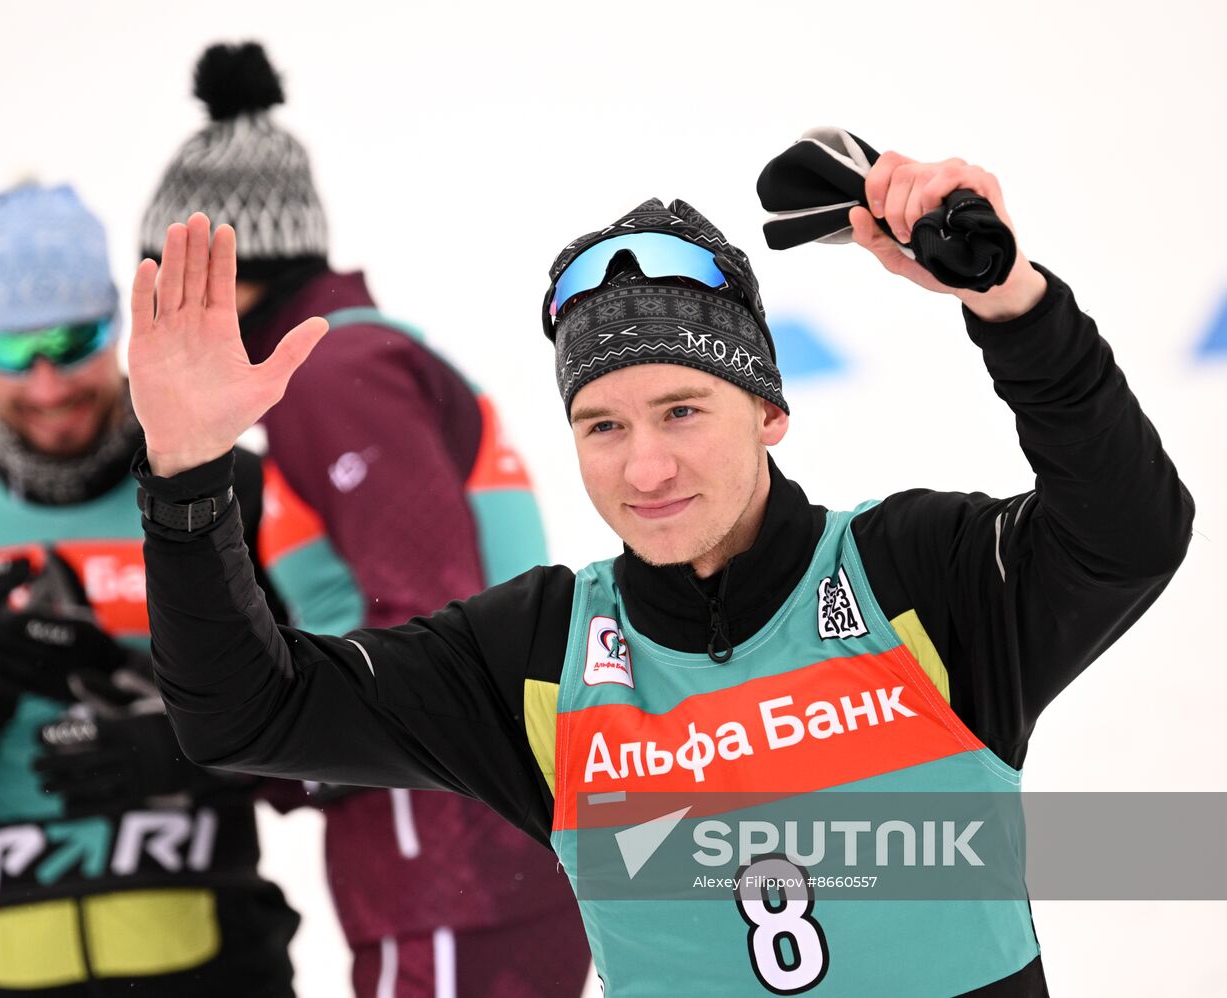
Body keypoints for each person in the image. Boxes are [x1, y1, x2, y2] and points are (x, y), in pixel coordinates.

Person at [124, 150, 1193, 996]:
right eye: (602, 424)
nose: (643, 467)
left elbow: (1129, 533)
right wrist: (185, 478)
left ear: (769, 410)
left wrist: (1012, 304)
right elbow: (247, 714)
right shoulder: (539, 657)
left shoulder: (911, 576)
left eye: (683, 411)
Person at [136, 41, 591, 997]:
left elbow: (434, 635)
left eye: (165, 279)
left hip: (463, 874)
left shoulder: (336, 379)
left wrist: (277, 753)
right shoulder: (333, 375)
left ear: (227, 272)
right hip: (452, 872)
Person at [0, 184, 302, 996]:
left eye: (73, 340)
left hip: (222, 968)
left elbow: (346, 740)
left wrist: (181, 749)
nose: (47, 386)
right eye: (14, 353)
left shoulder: (229, 490)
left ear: (117, 323)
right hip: (1, 976)